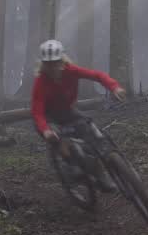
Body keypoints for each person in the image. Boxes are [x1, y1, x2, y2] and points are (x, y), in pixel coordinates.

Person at [31, 40, 126, 188]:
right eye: (48, 64)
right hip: (48, 117)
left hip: (67, 111)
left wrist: (114, 87)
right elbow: (37, 112)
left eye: (56, 62)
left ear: (62, 61)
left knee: (90, 129)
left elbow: (97, 75)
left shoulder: (71, 71)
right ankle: (71, 166)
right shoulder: (41, 82)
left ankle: (100, 168)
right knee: (58, 139)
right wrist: (46, 130)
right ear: (43, 64)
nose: (53, 67)